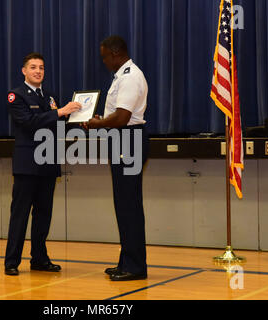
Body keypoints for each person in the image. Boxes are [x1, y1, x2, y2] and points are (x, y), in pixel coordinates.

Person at [4, 52, 81, 276]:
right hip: (27, 164)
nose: (38, 71)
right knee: (20, 214)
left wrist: (76, 120)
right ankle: (11, 261)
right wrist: (60, 112)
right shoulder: (15, 95)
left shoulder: (50, 96)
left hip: (48, 162)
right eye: (33, 67)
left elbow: (56, 126)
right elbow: (29, 123)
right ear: (24, 71)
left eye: (42, 68)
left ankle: (39, 259)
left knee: (43, 214)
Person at [83, 36, 149, 281]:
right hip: (123, 139)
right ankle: (126, 261)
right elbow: (117, 116)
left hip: (129, 140)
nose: (104, 61)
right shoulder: (123, 76)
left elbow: (122, 118)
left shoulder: (130, 76)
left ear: (115, 52)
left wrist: (100, 122)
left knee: (129, 205)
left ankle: (135, 267)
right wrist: (102, 121)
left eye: (104, 57)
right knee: (123, 205)